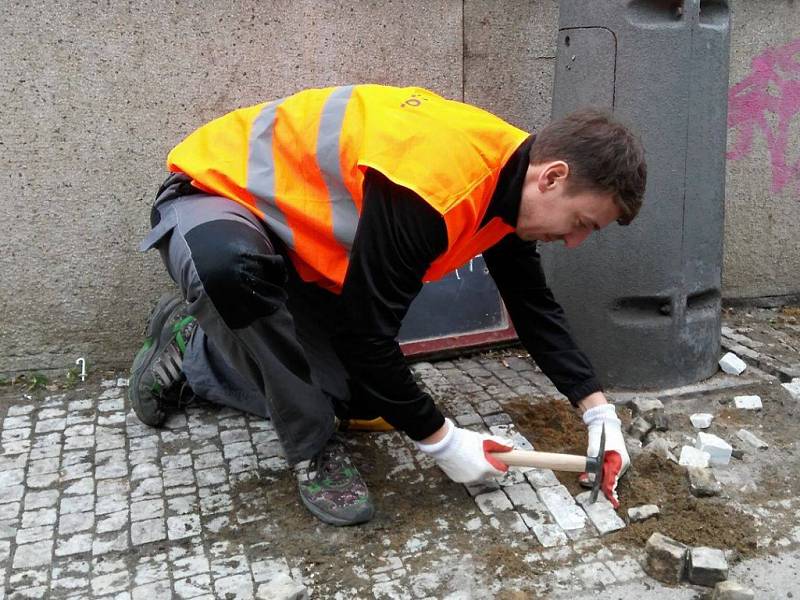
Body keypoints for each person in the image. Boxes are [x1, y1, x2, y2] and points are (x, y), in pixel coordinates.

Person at [129, 84, 646, 527]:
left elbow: (532, 305)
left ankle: (196, 349)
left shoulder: (510, 187)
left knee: (364, 401)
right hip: (216, 198)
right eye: (582, 223)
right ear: (552, 177)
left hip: (290, 247)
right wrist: (442, 442)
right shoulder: (437, 180)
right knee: (232, 277)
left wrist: (596, 409)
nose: (575, 241)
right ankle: (310, 451)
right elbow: (365, 336)